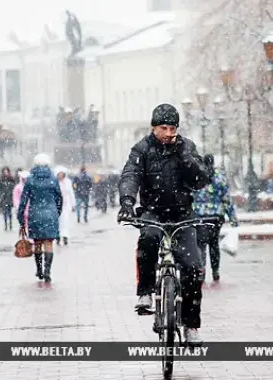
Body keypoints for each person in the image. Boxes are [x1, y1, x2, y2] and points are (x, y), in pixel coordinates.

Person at [117, 103, 212, 345]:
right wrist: (127, 202)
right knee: (148, 238)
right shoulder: (142, 149)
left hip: (182, 213)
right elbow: (130, 175)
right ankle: (146, 293)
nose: (169, 133)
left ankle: (191, 326)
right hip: (153, 211)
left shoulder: (186, 147)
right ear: (154, 128)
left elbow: (200, 180)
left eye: (173, 128)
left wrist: (184, 156)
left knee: (192, 267)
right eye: (164, 128)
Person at [193, 154, 238, 282]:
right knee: (214, 244)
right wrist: (232, 218)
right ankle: (215, 271)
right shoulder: (219, 178)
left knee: (200, 244)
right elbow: (226, 199)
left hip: (199, 216)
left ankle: (201, 270)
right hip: (216, 217)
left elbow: (190, 196)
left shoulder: (197, 177)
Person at [18, 154, 63, 282]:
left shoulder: (30, 180)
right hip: (50, 214)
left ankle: (39, 269)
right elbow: (59, 198)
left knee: (37, 242)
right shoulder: (53, 179)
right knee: (48, 243)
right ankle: (48, 271)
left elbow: (23, 201)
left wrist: (21, 218)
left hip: (35, 214)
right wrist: (56, 212)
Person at [55, 166, 76, 246]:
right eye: (59, 174)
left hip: (65, 205)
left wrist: (73, 204)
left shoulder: (68, 182)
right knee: (57, 222)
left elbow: (71, 193)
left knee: (65, 222)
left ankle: (65, 237)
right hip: (56, 205)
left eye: (62, 174)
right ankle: (57, 237)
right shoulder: (54, 182)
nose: (60, 175)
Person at [0, 166, 16, 231]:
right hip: (4, 198)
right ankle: (6, 225)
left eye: (6, 171)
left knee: (9, 212)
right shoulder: (1, 179)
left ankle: (10, 224)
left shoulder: (11, 179)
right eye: (4, 172)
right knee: (5, 212)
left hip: (10, 197)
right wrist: (1, 195)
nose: (5, 173)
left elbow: (14, 188)